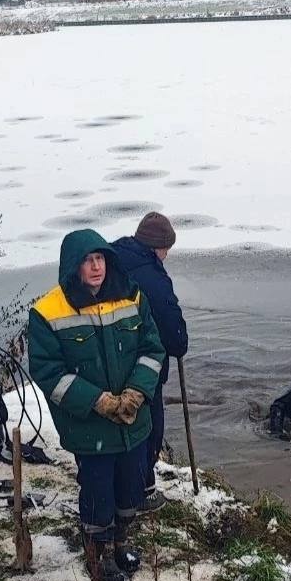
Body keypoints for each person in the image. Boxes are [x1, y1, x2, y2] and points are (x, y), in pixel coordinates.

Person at [28, 229, 165, 581]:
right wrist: (97, 401)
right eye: (88, 260)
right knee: (98, 489)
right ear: (73, 266)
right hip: (90, 427)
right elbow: (48, 372)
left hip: (133, 419)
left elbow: (152, 349)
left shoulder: (131, 294)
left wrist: (137, 392)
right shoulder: (47, 311)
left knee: (132, 485)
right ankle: (97, 550)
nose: (96, 266)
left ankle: (121, 541)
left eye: (101, 258)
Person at [112, 212, 188, 513]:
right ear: (157, 246)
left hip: (109, 360)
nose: (167, 254)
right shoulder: (152, 277)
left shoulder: (112, 258)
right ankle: (141, 491)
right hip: (144, 364)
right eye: (166, 248)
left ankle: (121, 486)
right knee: (148, 426)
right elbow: (172, 331)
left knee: (119, 424)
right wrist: (180, 342)